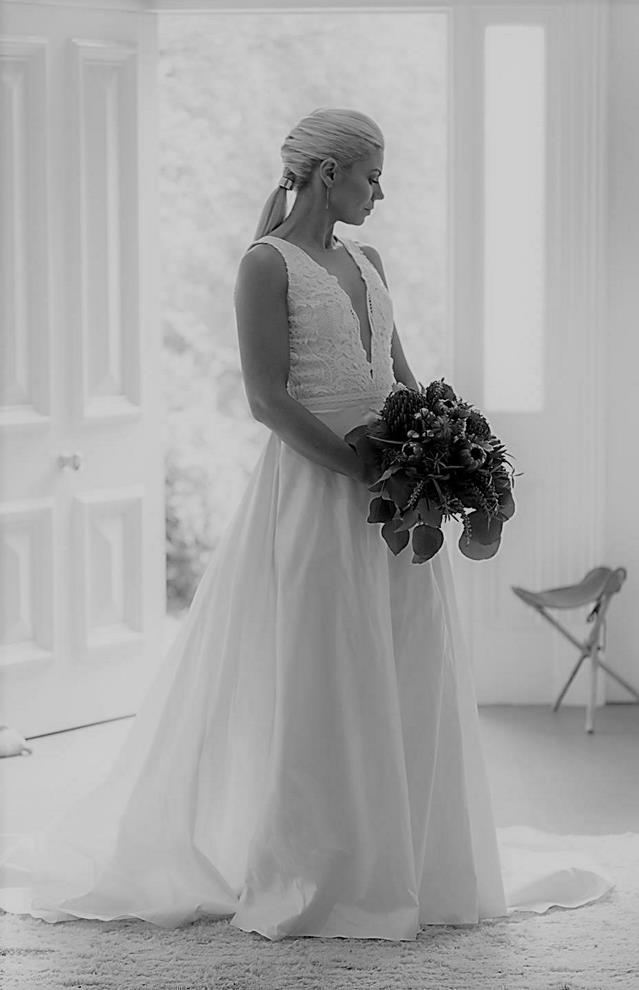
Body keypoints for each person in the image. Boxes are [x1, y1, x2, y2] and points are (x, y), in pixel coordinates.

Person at [0, 108, 613, 941]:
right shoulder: (265, 264)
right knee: (325, 672)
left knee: (407, 663)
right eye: (371, 176)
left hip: (400, 496)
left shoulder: (369, 260)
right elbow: (267, 399)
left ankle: (407, 858)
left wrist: (453, 456)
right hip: (318, 492)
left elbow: (400, 379)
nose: (379, 193)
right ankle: (321, 871)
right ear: (329, 173)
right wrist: (357, 468)